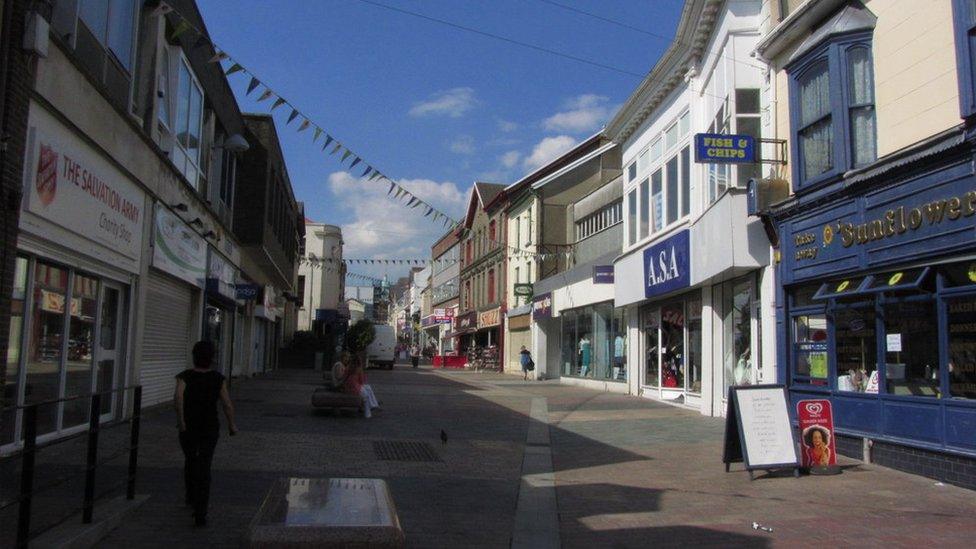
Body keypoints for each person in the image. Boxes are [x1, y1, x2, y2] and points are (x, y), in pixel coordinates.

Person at [174, 341, 238, 527]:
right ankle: (201, 510)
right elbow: (226, 404)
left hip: (188, 428)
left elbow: (178, 398)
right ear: (211, 358)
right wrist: (232, 425)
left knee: (190, 459)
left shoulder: (184, 377)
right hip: (210, 427)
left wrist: (181, 421)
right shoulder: (218, 379)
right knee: (205, 464)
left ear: (194, 356)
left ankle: (191, 496)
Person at [341, 352, 380, 418]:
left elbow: (344, 377)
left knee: (368, 388)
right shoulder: (359, 369)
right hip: (355, 388)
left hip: (348, 387)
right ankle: (368, 413)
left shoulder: (348, 368)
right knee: (366, 396)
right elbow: (361, 382)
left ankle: (374, 404)